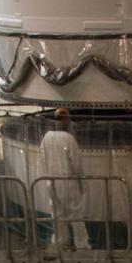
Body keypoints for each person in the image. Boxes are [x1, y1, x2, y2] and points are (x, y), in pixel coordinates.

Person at [39, 107, 90, 252]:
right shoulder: (69, 139)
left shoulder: (46, 138)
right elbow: (77, 164)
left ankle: (60, 242)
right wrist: (82, 184)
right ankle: (81, 244)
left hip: (51, 181)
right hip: (68, 182)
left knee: (57, 214)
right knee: (75, 215)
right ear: (66, 120)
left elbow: (43, 160)